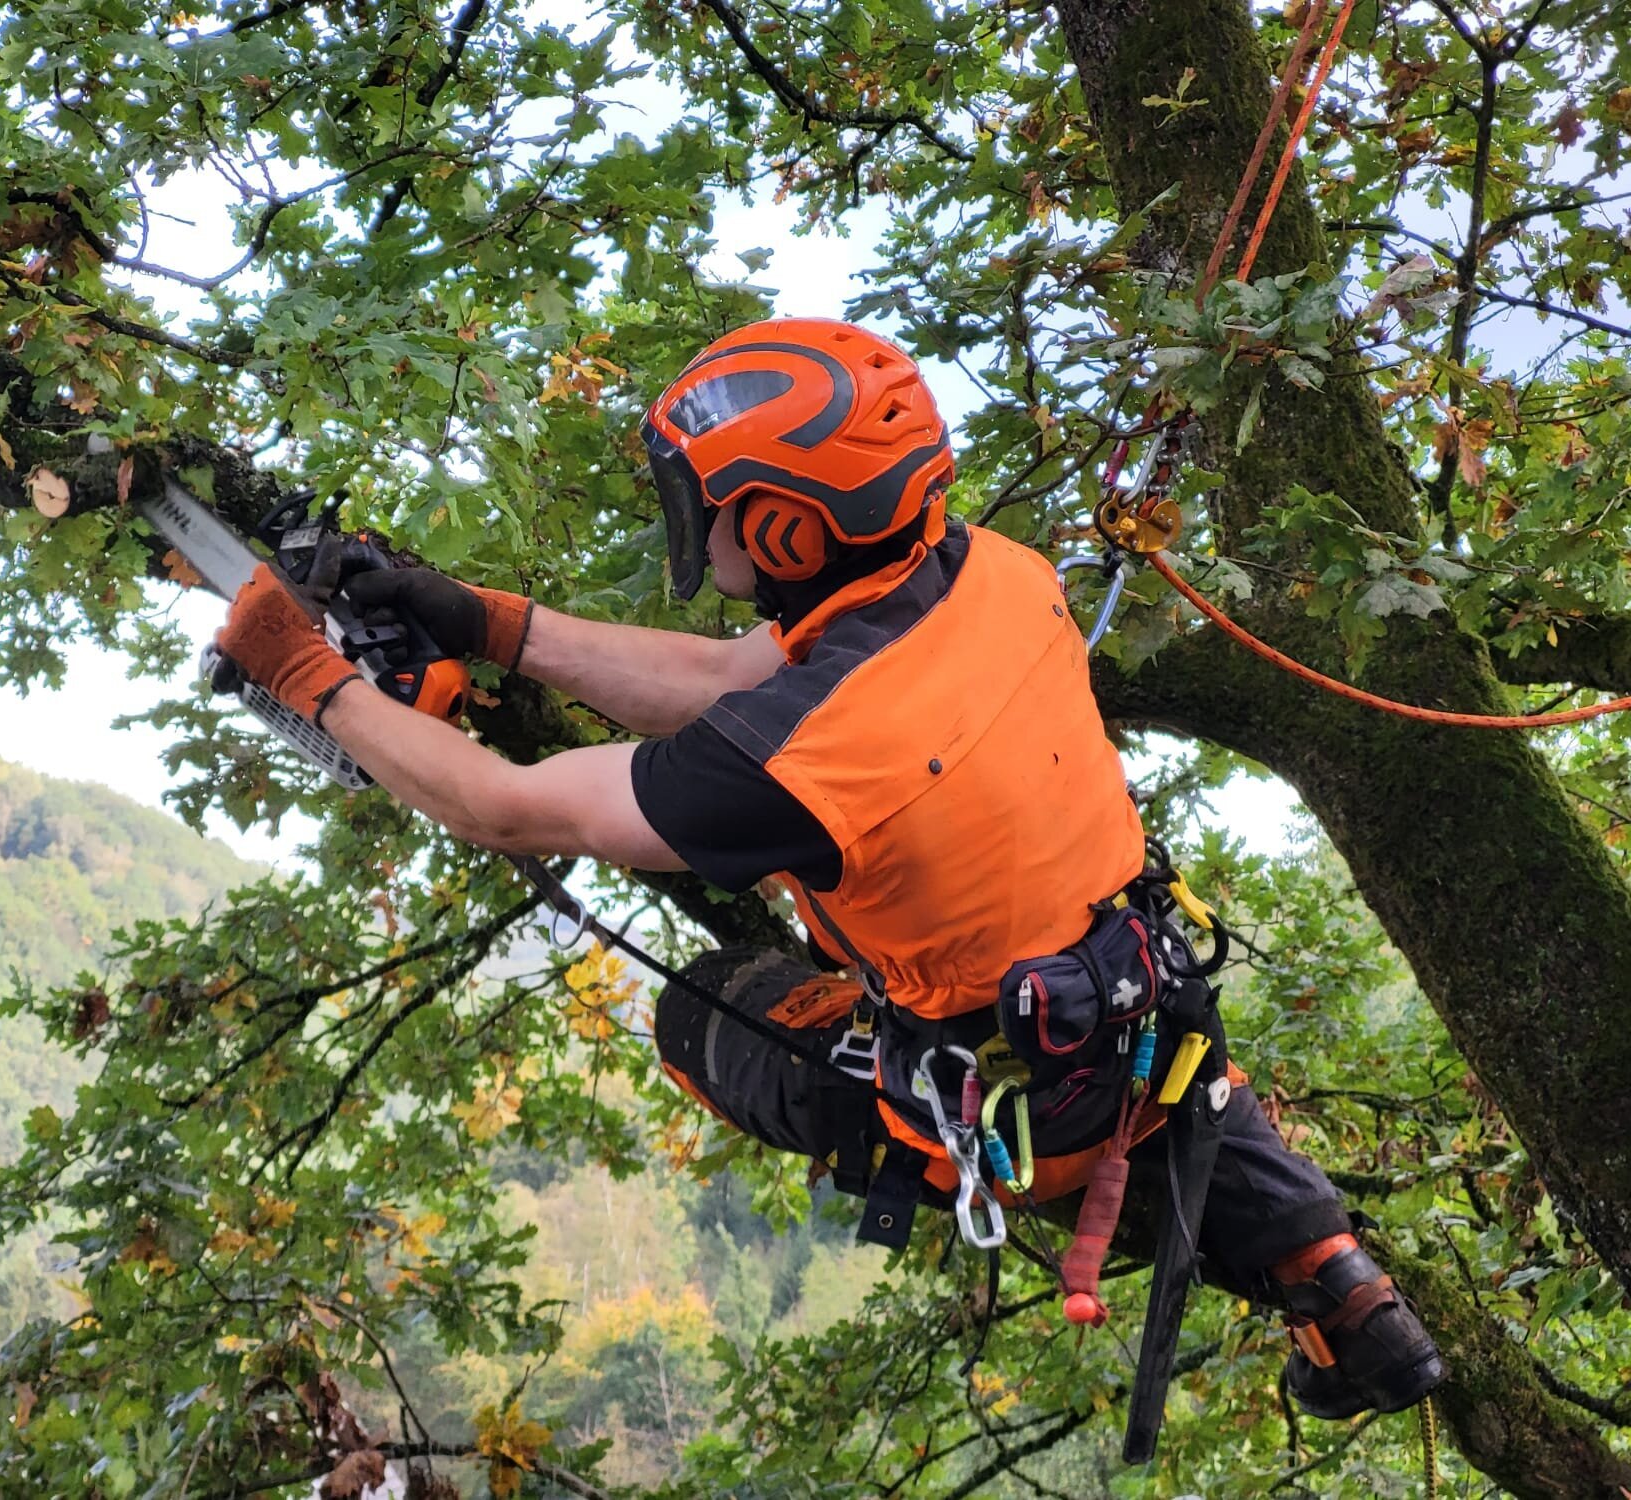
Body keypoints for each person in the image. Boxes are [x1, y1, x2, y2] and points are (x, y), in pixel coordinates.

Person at [214, 316, 1444, 1419]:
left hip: (1017, 1099)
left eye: (707, 506)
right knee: (1177, 1078)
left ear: (788, 523)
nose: (691, 528)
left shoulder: (794, 760)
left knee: (705, 1006)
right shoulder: (993, 572)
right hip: (1140, 1000)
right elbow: (725, 678)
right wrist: (488, 623)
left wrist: (311, 684)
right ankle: (1330, 1275)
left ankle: (995, 1144)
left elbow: (500, 805)